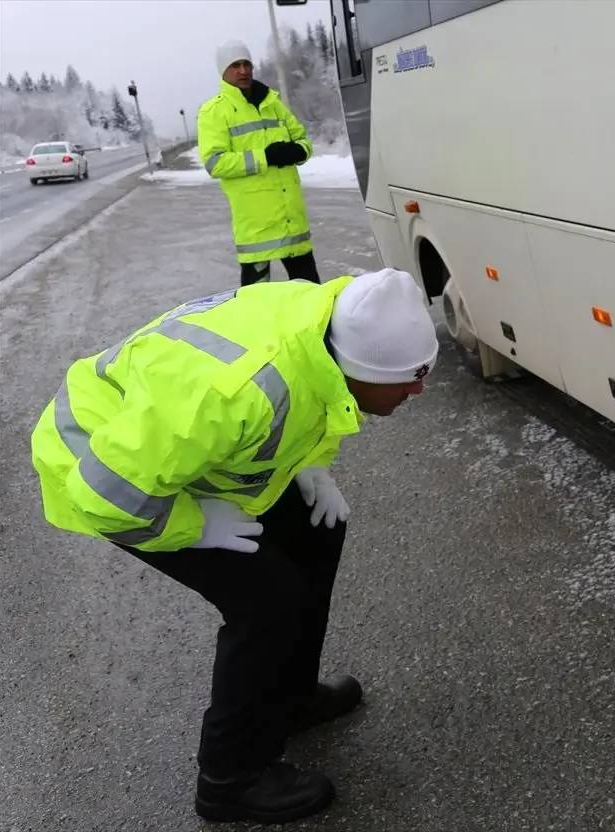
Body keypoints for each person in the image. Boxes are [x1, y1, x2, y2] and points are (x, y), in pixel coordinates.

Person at [29, 268, 439, 824]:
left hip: (177, 449)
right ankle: (231, 777)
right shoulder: (231, 393)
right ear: (358, 367)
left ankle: (289, 701)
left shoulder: (326, 323)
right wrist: (193, 524)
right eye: (407, 380)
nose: (418, 390)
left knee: (318, 533)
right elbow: (104, 496)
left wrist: (310, 467)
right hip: (107, 468)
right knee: (267, 599)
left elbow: (315, 400)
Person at [198, 39, 320, 287]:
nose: (243, 71)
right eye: (235, 66)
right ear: (223, 71)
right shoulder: (214, 112)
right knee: (256, 306)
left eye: (246, 64)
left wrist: (299, 151)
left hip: (291, 221)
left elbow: (303, 140)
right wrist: (266, 157)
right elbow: (215, 163)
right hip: (256, 229)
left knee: (312, 297)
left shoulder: (273, 104)